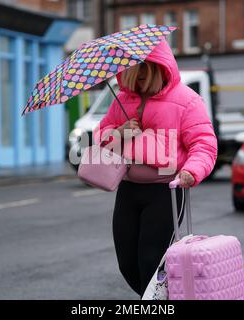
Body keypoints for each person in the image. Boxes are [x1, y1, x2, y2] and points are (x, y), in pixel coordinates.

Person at [92, 39, 218, 298]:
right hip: (127, 190)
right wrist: (119, 132)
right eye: (131, 78)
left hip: (166, 192)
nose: (135, 84)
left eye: (141, 78)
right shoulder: (122, 101)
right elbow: (100, 136)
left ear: (159, 70)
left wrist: (191, 171)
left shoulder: (188, 101)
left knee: (151, 261)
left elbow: (204, 144)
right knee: (127, 263)